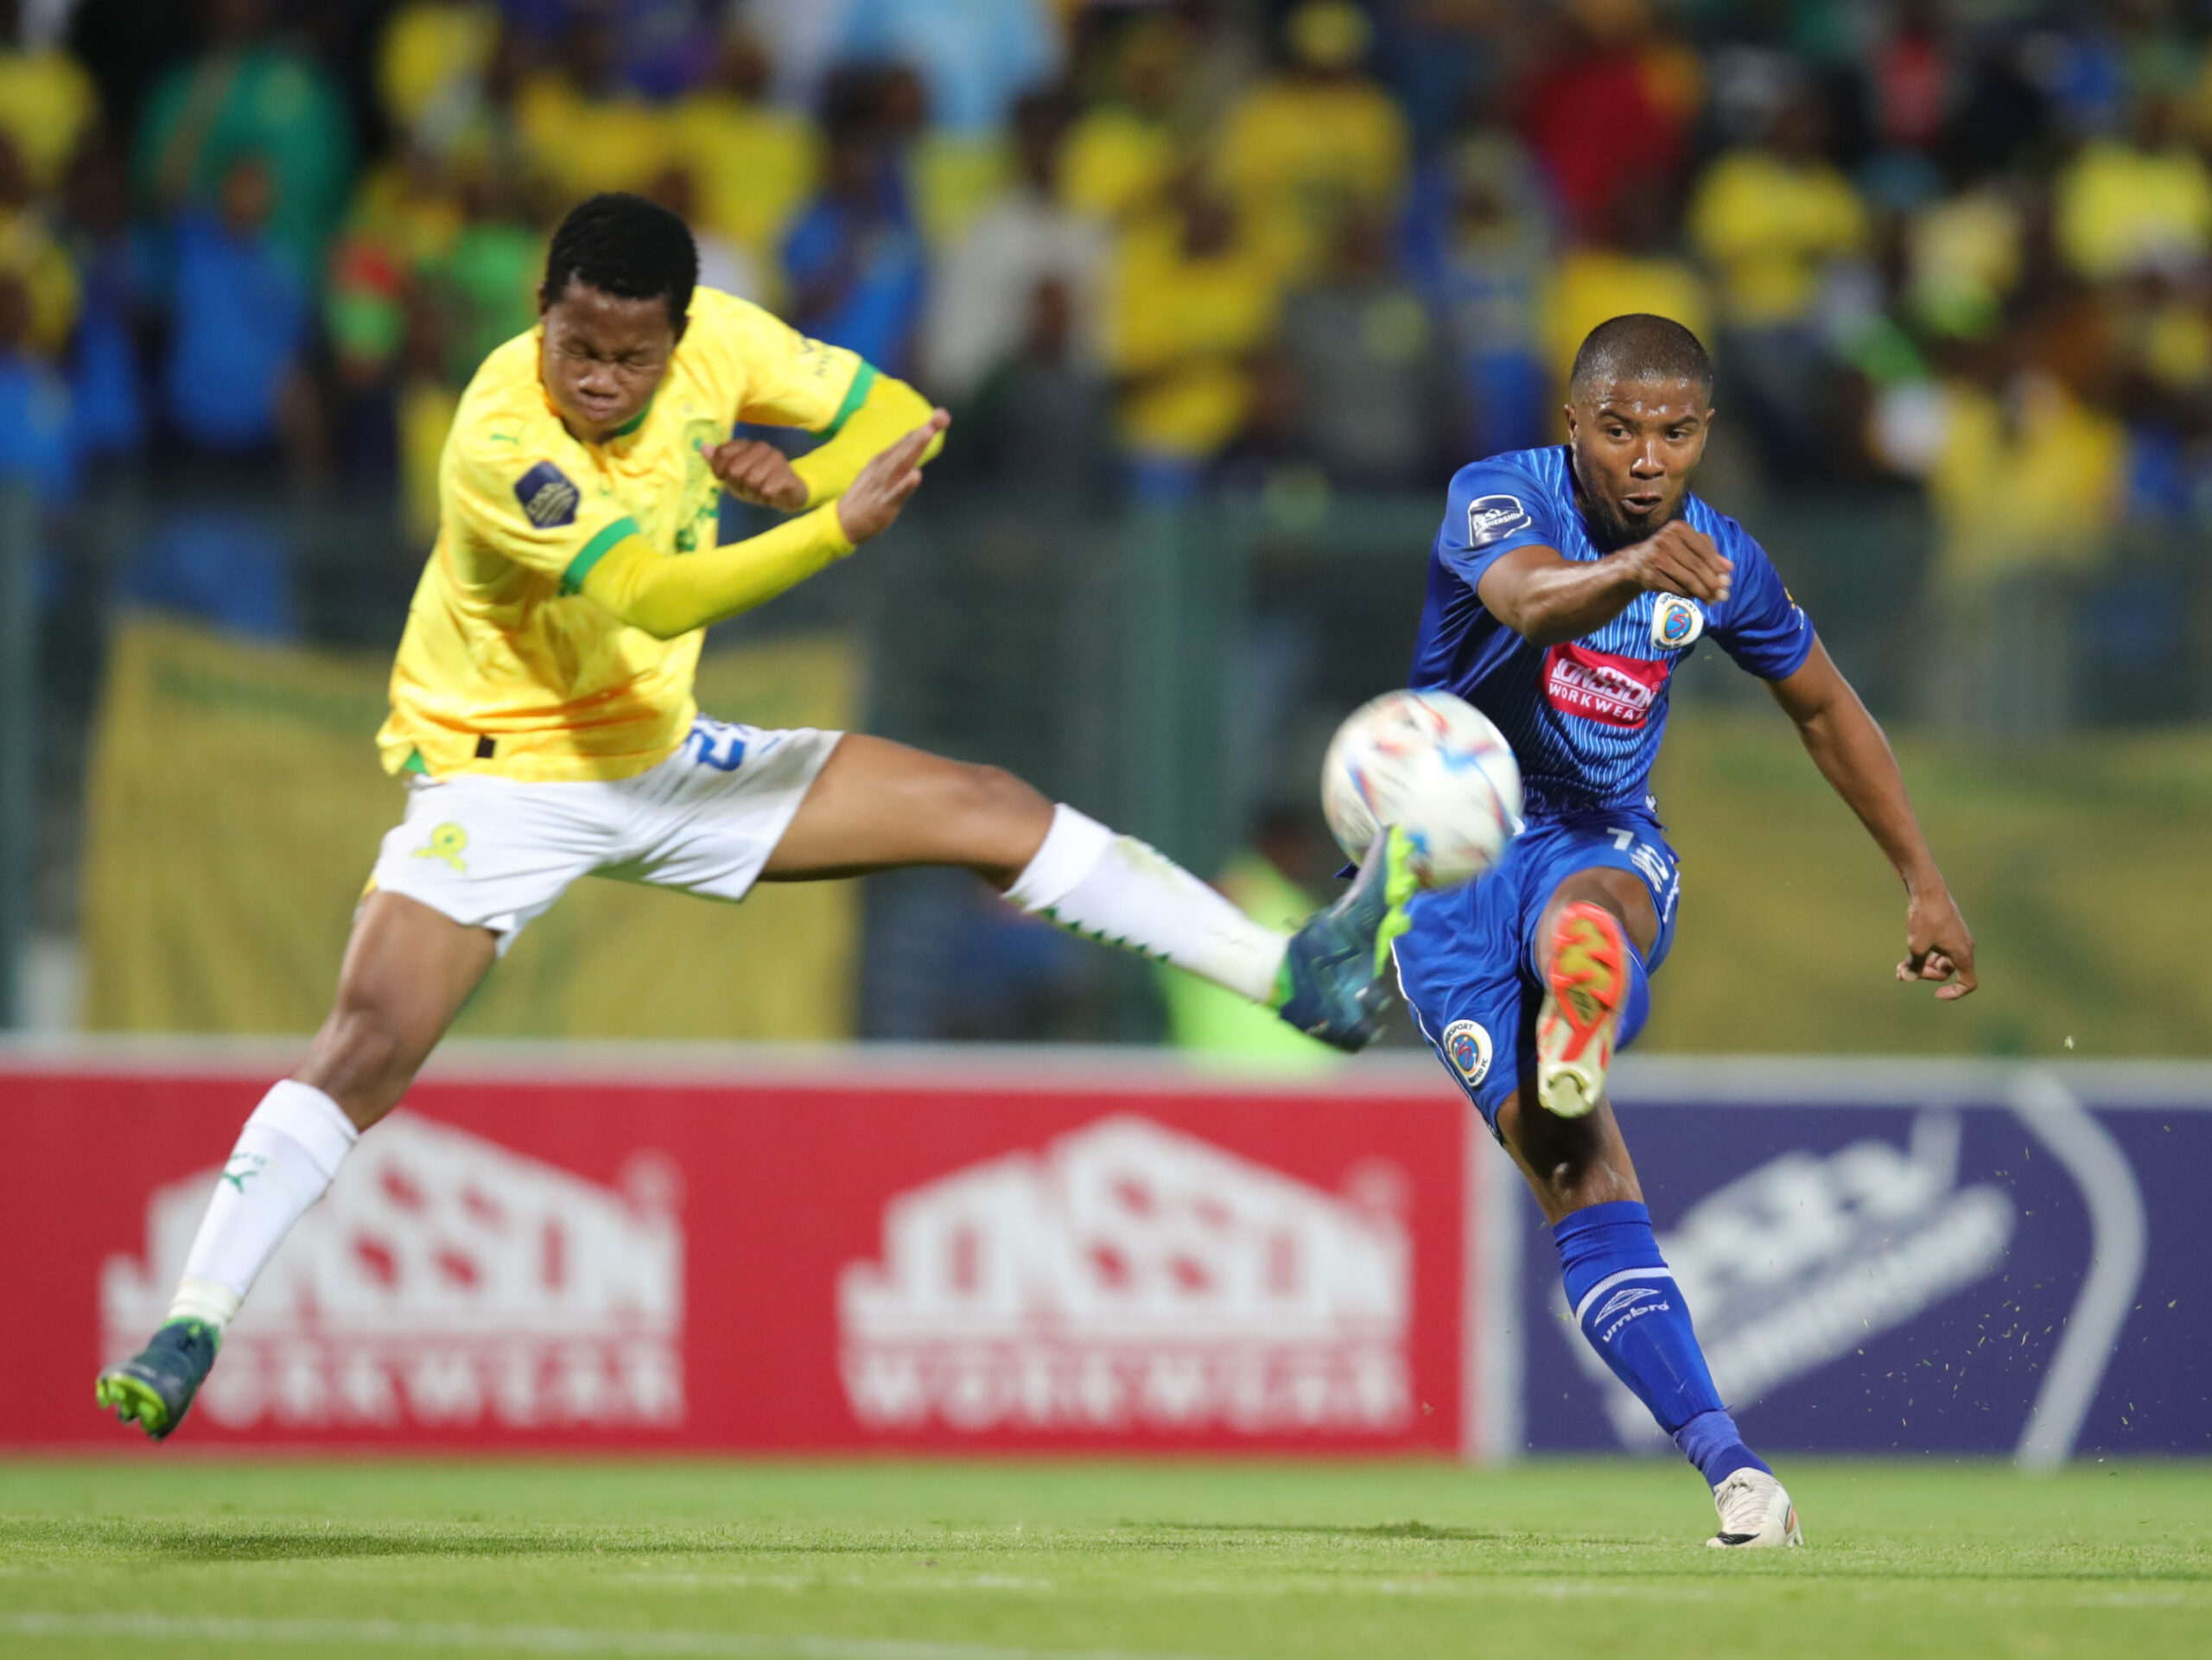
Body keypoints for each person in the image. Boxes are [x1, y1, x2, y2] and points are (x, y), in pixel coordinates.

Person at [95, 192, 1413, 1441]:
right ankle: (191, 1322)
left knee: (984, 806)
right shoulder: (502, 435)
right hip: (504, 779)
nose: (600, 378)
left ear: (682, 333)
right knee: (371, 1040)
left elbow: (895, 411)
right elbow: (653, 595)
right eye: (577, 346)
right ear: (541, 309)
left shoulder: (724, 343)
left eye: (633, 355)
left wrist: (803, 469)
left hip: (661, 755)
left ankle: (1295, 974)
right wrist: (831, 526)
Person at [1390, 313, 1977, 1548]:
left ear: (1706, 432)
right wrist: (1630, 573)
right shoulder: (1497, 496)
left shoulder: (1722, 560)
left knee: (1594, 903)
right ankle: (1728, 1459)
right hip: (1445, 863)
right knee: (1577, 1175)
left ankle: (1739, 1480)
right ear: (1573, 424)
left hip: (1593, 832)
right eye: (1618, 431)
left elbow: (1825, 706)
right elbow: (1527, 601)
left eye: (1674, 433)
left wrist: (1922, 877)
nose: (1647, 459)